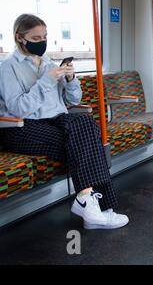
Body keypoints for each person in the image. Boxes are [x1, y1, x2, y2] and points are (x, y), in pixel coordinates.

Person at [0, 14, 129, 230]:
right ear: (20, 38)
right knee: (85, 143)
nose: (42, 41)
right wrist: (47, 81)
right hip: (21, 127)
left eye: (45, 36)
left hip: (56, 120)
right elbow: (18, 108)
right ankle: (99, 208)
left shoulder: (48, 62)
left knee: (88, 123)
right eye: (36, 37)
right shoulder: (7, 68)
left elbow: (74, 100)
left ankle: (88, 204)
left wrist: (70, 79)